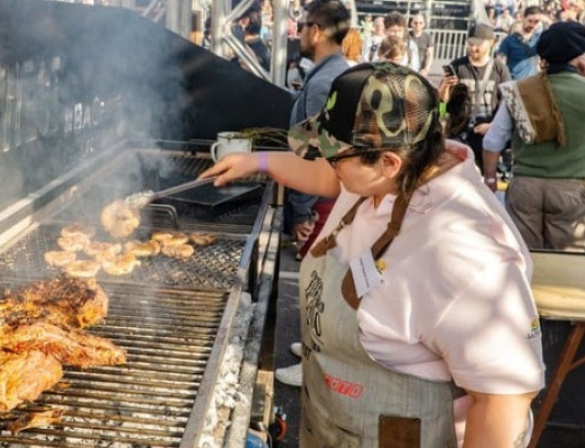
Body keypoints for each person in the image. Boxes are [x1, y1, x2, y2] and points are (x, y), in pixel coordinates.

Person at [201, 62, 544, 447]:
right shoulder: (386, 174)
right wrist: (257, 162)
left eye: (334, 155)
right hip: (334, 426)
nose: (327, 164)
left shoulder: (465, 254)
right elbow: (329, 178)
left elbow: (505, 401)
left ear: (388, 162)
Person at [277, 0, 351, 388]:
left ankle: (315, 368)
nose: (299, 32)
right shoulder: (332, 72)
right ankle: (311, 348)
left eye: (303, 25)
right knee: (317, 280)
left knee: (318, 284)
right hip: (324, 199)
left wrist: (302, 211)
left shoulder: (325, 81)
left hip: (322, 200)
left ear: (317, 32)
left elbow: (317, 150)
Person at [483, 21, 585, 251]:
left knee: (526, 257)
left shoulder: (519, 90)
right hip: (571, 189)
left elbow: (492, 141)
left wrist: (490, 179)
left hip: (524, 187)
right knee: (566, 261)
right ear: (578, 55)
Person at [439, 23, 511, 173]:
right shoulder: (458, 66)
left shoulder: (500, 70)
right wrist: (444, 89)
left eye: (478, 45)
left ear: (491, 43)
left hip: (485, 133)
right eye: (470, 44)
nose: (473, 48)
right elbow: (443, 106)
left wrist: (492, 126)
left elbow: (507, 103)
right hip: (459, 132)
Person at [496, 6, 545, 79]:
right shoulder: (509, 41)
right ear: (523, 18)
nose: (532, 25)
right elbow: (500, 66)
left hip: (533, 84)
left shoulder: (540, 41)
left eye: (536, 22)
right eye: (530, 21)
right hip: (514, 84)